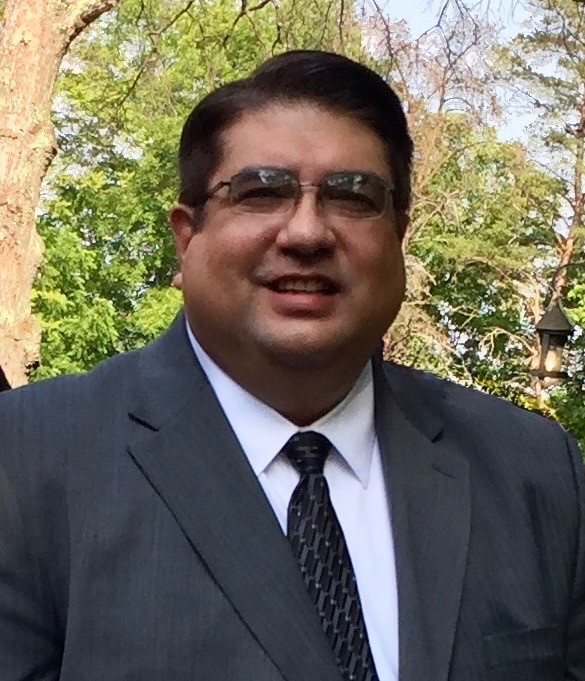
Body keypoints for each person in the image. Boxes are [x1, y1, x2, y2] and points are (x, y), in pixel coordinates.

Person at [0, 50, 583, 681]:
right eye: (261, 192)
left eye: (352, 196)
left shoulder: (533, 470)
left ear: (398, 237)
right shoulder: (26, 458)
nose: (306, 233)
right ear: (186, 237)